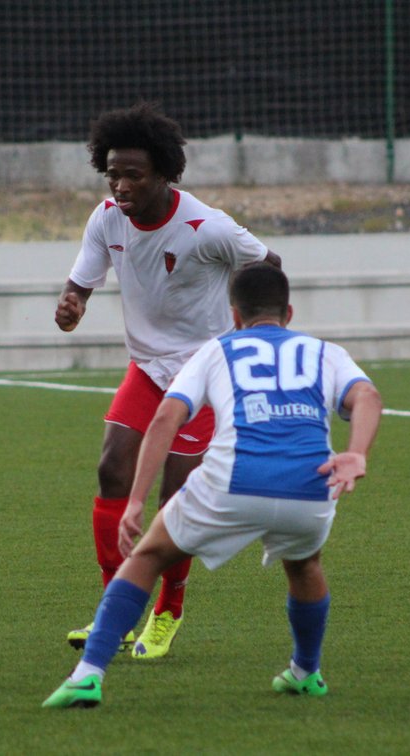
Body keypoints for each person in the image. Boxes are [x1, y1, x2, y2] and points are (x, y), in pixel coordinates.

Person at [43, 262, 383, 708]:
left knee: (148, 556)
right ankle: (305, 671)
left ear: (234, 315)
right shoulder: (325, 352)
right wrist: (357, 453)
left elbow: (166, 418)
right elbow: (368, 396)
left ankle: (88, 674)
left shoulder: (215, 350)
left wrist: (137, 501)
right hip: (310, 486)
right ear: (289, 313)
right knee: (304, 566)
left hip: (232, 481)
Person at [55, 102, 280, 658]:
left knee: (174, 499)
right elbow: (81, 285)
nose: (120, 185)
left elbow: (267, 263)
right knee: (111, 469)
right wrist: (72, 305)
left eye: (133, 174)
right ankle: (115, 613)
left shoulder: (207, 227)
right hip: (147, 368)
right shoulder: (106, 217)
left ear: (163, 173)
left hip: (203, 374)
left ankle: (168, 609)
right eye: (112, 173)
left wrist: (250, 329)